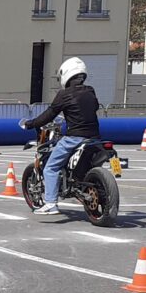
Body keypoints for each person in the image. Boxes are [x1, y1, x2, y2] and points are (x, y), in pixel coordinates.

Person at [22, 57, 101, 216]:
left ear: (67, 74)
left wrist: (32, 123)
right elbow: (94, 107)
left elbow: (49, 114)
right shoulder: (90, 90)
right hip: (95, 137)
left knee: (51, 168)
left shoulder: (64, 94)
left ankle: (50, 203)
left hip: (75, 137)